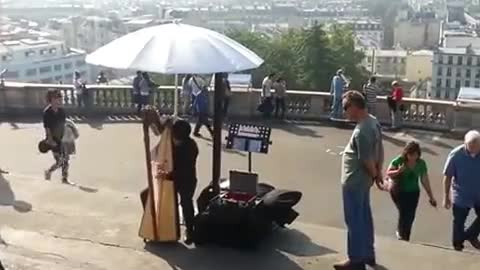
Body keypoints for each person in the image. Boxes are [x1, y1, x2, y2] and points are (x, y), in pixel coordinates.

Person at [334, 90, 384, 270]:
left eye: (346, 107)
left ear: (355, 107)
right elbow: (379, 151)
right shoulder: (373, 122)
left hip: (354, 181)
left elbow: (366, 159)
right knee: (364, 219)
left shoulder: (361, 131)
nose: (344, 111)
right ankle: (368, 255)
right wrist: (378, 174)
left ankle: (355, 260)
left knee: (354, 221)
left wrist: (374, 173)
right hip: (363, 182)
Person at [156, 120, 199, 245]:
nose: (174, 141)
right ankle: (169, 230)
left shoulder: (191, 147)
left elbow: (183, 169)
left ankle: (190, 230)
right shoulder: (169, 142)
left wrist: (167, 173)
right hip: (172, 178)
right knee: (168, 202)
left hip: (187, 179)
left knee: (186, 202)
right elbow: (158, 154)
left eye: (176, 139)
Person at [386, 141, 437, 242]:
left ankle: (406, 236)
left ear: (418, 154)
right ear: (406, 154)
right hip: (399, 191)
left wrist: (431, 196)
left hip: (413, 192)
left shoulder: (421, 164)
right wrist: (398, 171)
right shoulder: (399, 161)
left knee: (411, 215)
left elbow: (424, 180)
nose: (412, 158)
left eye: (415, 155)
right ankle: (401, 234)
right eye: (410, 155)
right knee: (404, 212)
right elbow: (388, 173)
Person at [443, 130, 480, 251]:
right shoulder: (456, 155)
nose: (474, 150)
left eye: (477, 147)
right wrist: (446, 196)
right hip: (461, 193)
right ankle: (457, 245)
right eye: (471, 147)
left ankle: (471, 234)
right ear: (465, 144)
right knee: (458, 221)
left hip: (478, 193)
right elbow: (447, 176)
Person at [43, 89, 73, 185]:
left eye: (60, 98)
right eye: (57, 98)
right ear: (51, 99)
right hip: (52, 140)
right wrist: (50, 140)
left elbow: (63, 125)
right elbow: (47, 128)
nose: (60, 100)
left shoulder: (62, 111)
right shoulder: (47, 113)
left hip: (61, 139)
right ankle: (49, 171)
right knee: (60, 161)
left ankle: (64, 179)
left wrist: (67, 139)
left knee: (66, 159)